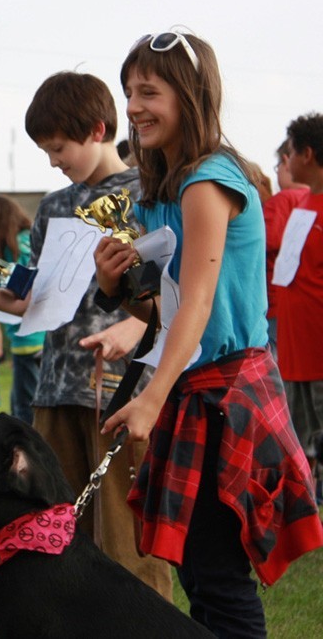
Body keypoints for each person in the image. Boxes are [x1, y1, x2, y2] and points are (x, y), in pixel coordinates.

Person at [95, 32, 323, 637]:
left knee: (218, 578)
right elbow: (166, 310)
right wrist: (116, 285)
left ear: (190, 96)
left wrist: (150, 396)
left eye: (149, 91)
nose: (135, 105)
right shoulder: (159, 192)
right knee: (200, 574)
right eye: (129, 92)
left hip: (226, 396)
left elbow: (199, 301)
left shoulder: (208, 182)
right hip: (192, 388)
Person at [0, 71, 173, 600]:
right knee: (49, 536)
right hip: (54, 391)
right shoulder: (53, 207)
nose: (53, 160)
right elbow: (38, 297)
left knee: (127, 546)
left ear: (98, 129)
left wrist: (134, 324)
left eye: (58, 148)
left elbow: (177, 293)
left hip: (121, 392)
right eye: (45, 150)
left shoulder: (151, 192)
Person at [274, 113, 323, 504]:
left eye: (289, 152)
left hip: (319, 349)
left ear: (308, 153)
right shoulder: (304, 203)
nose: (285, 160)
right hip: (294, 348)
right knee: (301, 440)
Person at [0, 195, 45, 424]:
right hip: (32, 336)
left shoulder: (15, 247)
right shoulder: (30, 240)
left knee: (26, 410)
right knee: (22, 404)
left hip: (29, 337)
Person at [263, 138, 309, 356]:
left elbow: (264, 242)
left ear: (285, 162)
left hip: (277, 305)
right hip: (308, 305)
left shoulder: (282, 200)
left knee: (277, 369)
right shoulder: (314, 200)